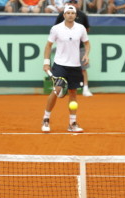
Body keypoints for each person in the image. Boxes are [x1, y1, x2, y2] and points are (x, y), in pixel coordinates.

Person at [41, 5, 90, 133]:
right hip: (60, 64)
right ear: (64, 15)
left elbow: (87, 43)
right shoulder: (56, 29)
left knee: (73, 93)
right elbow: (48, 46)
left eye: (72, 13)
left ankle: (72, 123)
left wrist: (86, 54)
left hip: (75, 66)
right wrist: (46, 62)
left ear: (75, 15)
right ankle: (46, 119)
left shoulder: (81, 28)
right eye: (67, 13)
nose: (70, 15)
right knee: (56, 90)